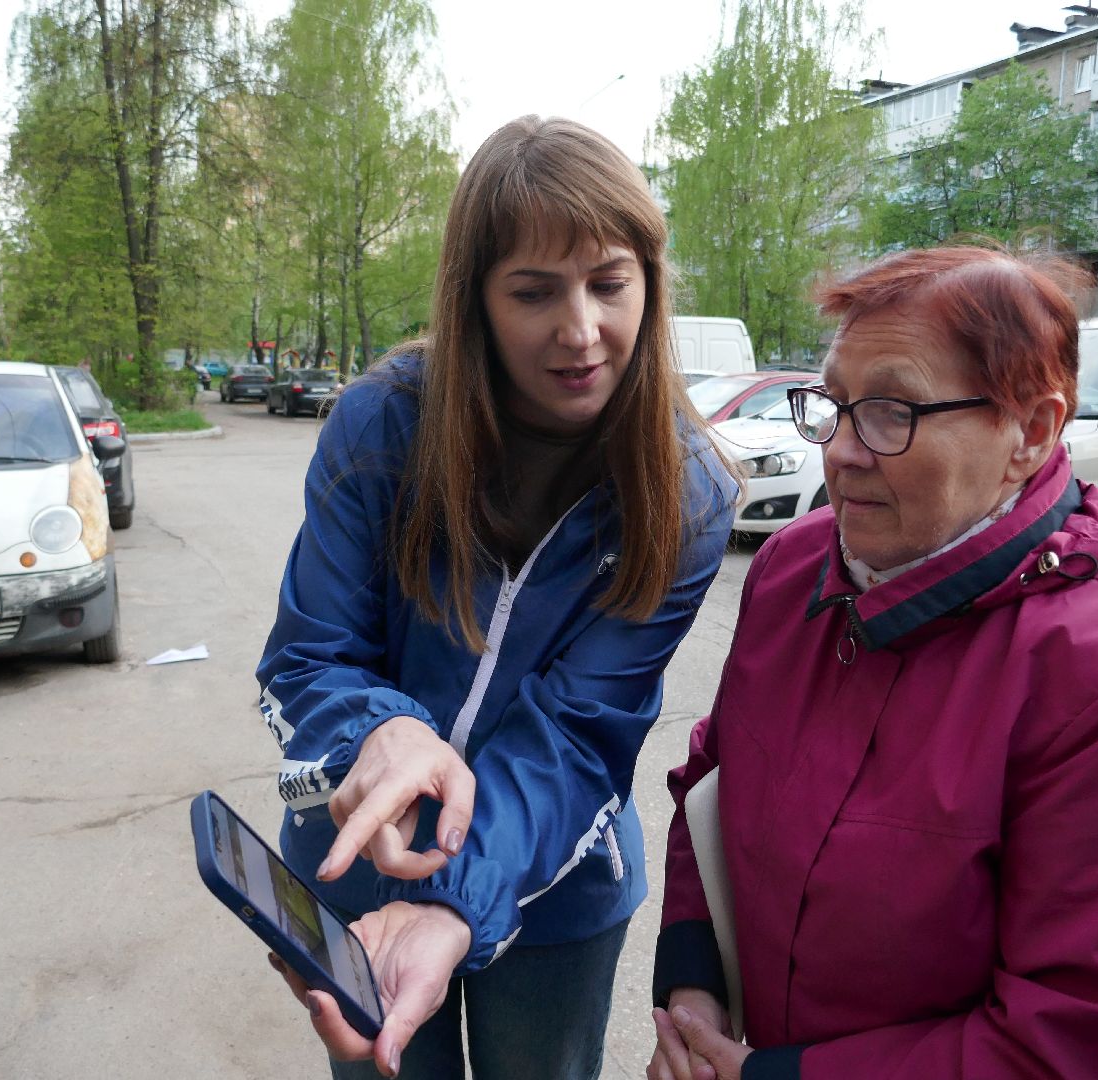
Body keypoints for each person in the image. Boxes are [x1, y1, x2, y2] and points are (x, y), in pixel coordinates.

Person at [649, 245, 1098, 1080]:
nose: (842, 452)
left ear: (1033, 433)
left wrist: (774, 1076)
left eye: (893, 411)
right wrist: (693, 985)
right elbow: (714, 782)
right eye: (833, 404)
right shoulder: (797, 567)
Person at [255, 115, 738, 1079]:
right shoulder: (384, 422)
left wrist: (454, 901)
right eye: (532, 291)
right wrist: (378, 735)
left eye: (609, 283)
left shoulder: (688, 490)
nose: (580, 330)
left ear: (649, 280)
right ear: (474, 297)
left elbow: (580, 732)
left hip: (559, 894)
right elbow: (309, 656)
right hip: (361, 875)